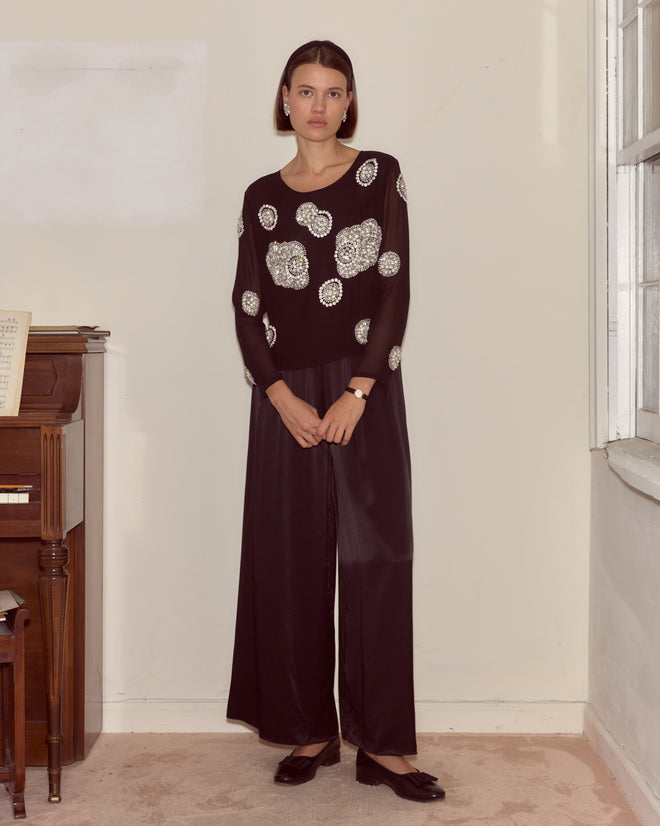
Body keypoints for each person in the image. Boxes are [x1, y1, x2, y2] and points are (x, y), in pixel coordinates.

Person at [227, 40, 445, 803]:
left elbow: (394, 285)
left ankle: (383, 745)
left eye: (335, 92)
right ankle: (308, 729)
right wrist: (280, 397)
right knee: (291, 562)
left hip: (364, 388)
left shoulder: (378, 175)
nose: (319, 105)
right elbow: (246, 305)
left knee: (376, 560)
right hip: (285, 398)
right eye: (306, 90)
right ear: (284, 97)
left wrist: (357, 389)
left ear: (349, 102)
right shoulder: (260, 195)